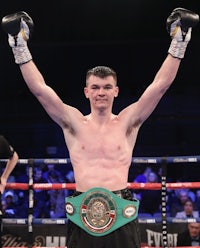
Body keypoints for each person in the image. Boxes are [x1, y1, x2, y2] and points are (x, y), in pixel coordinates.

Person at [1, 8, 199, 248]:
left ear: (116, 91)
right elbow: (41, 90)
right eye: (95, 87)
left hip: (121, 209)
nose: (101, 92)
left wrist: (179, 42)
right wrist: (18, 45)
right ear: (86, 92)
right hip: (82, 211)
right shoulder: (73, 121)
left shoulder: (128, 121)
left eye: (106, 87)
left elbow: (159, 86)